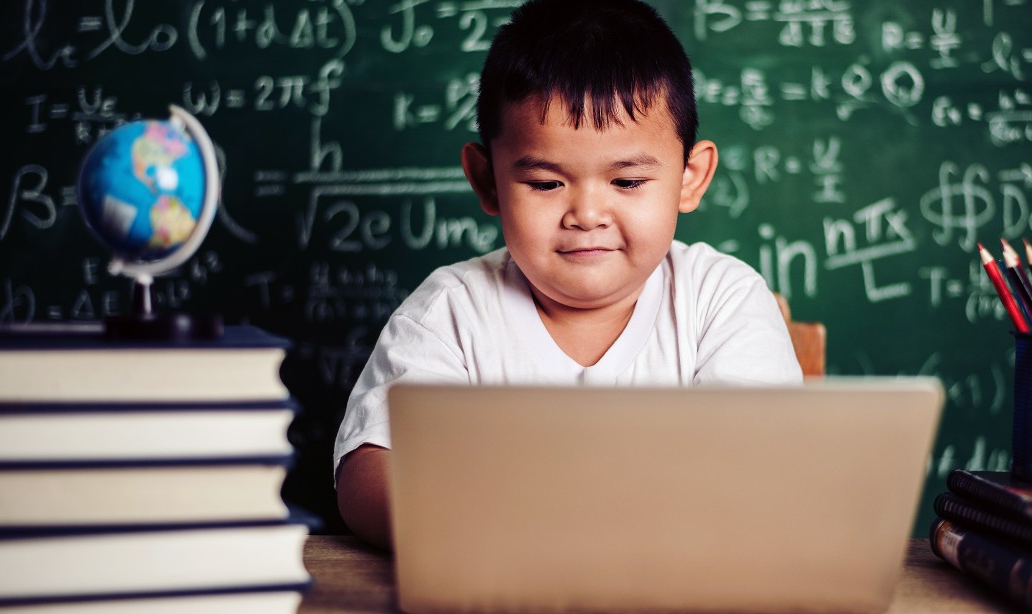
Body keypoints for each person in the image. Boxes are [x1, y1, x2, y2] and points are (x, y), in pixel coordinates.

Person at [334, 0, 803, 549]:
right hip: (502, 571)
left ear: (688, 178)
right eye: (545, 184)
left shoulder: (722, 300)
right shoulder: (451, 313)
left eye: (627, 182)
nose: (587, 214)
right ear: (486, 181)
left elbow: (762, 466)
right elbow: (368, 473)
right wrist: (487, 524)